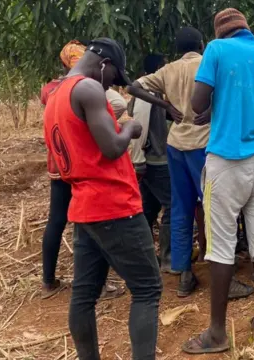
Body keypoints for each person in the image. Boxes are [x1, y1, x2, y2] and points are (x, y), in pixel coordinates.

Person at [43, 38, 161, 360]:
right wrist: (131, 128)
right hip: (113, 204)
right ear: (104, 63)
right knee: (148, 289)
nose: (114, 86)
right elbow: (111, 147)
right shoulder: (88, 89)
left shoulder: (55, 96)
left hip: (83, 205)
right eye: (114, 78)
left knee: (83, 296)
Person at [181, 8, 254, 354]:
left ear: (221, 31)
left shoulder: (215, 50)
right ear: (246, 28)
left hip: (225, 162)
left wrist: (218, 104)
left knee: (221, 244)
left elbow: (198, 101)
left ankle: (216, 332)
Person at [40, 40, 126, 301]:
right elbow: (118, 109)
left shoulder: (51, 91)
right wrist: (127, 129)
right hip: (84, 165)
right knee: (92, 224)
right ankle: (95, 283)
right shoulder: (86, 89)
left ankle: (48, 280)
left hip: (60, 165)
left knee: (59, 220)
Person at [127, 27, 208, 298]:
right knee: (212, 206)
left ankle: (184, 273)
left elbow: (133, 87)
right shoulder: (209, 63)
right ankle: (219, 268)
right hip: (203, 144)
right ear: (201, 44)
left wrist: (165, 106)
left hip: (176, 145)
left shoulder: (167, 70)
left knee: (181, 208)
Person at [127, 54, 174, 273]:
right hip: (155, 160)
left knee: (148, 208)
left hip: (151, 160)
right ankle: (168, 257)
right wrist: (138, 161)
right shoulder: (148, 93)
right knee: (172, 206)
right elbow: (139, 128)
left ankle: (143, 256)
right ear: (157, 69)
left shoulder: (152, 92)